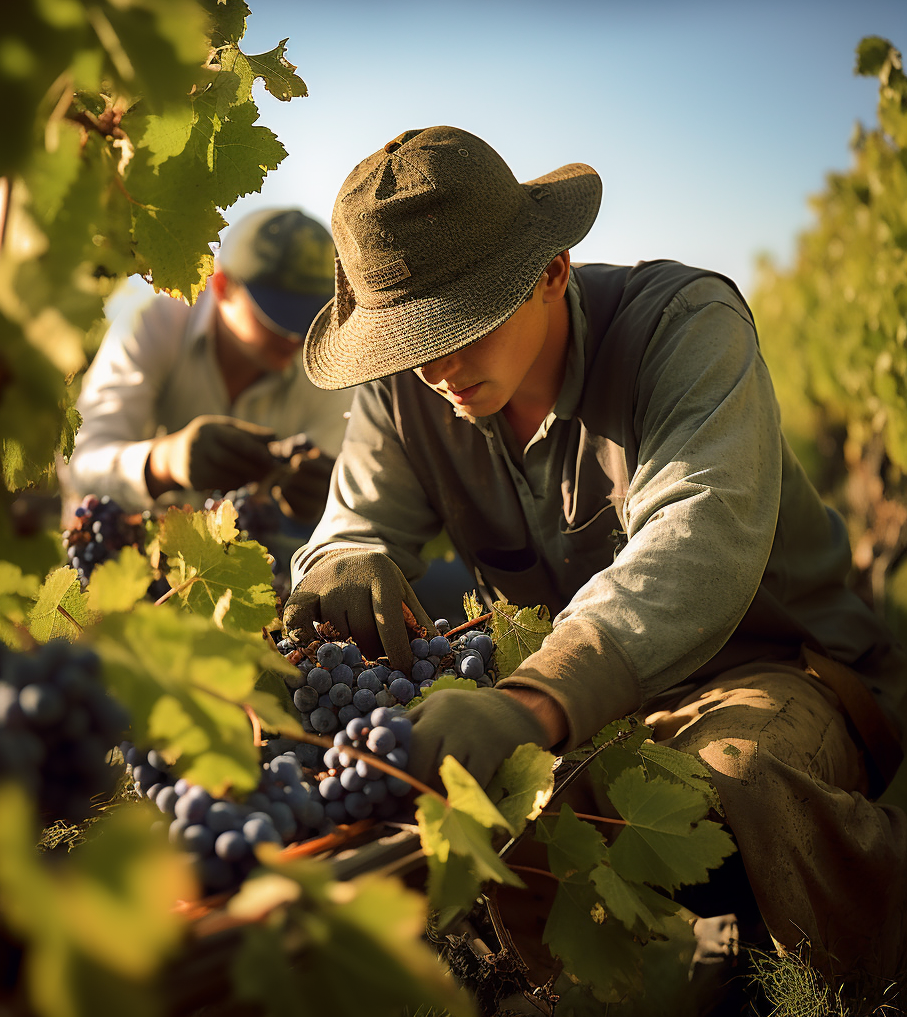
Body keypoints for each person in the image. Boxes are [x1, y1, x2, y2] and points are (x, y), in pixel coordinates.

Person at [282, 127, 907, 988]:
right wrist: (339, 559)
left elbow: (700, 539)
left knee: (730, 783)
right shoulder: (409, 391)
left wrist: (534, 701)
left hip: (778, 667)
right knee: (524, 830)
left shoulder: (683, 329)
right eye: (410, 343)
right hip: (583, 698)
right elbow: (350, 523)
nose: (436, 368)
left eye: (460, 327)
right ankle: (637, 981)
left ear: (551, 270)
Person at [66, 208, 354, 526]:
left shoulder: (323, 357)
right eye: (278, 316)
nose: (297, 335)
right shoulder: (157, 324)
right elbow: (83, 465)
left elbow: (347, 487)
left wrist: (330, 496)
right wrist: (163, 463)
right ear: (222, 286)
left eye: (313, 317)